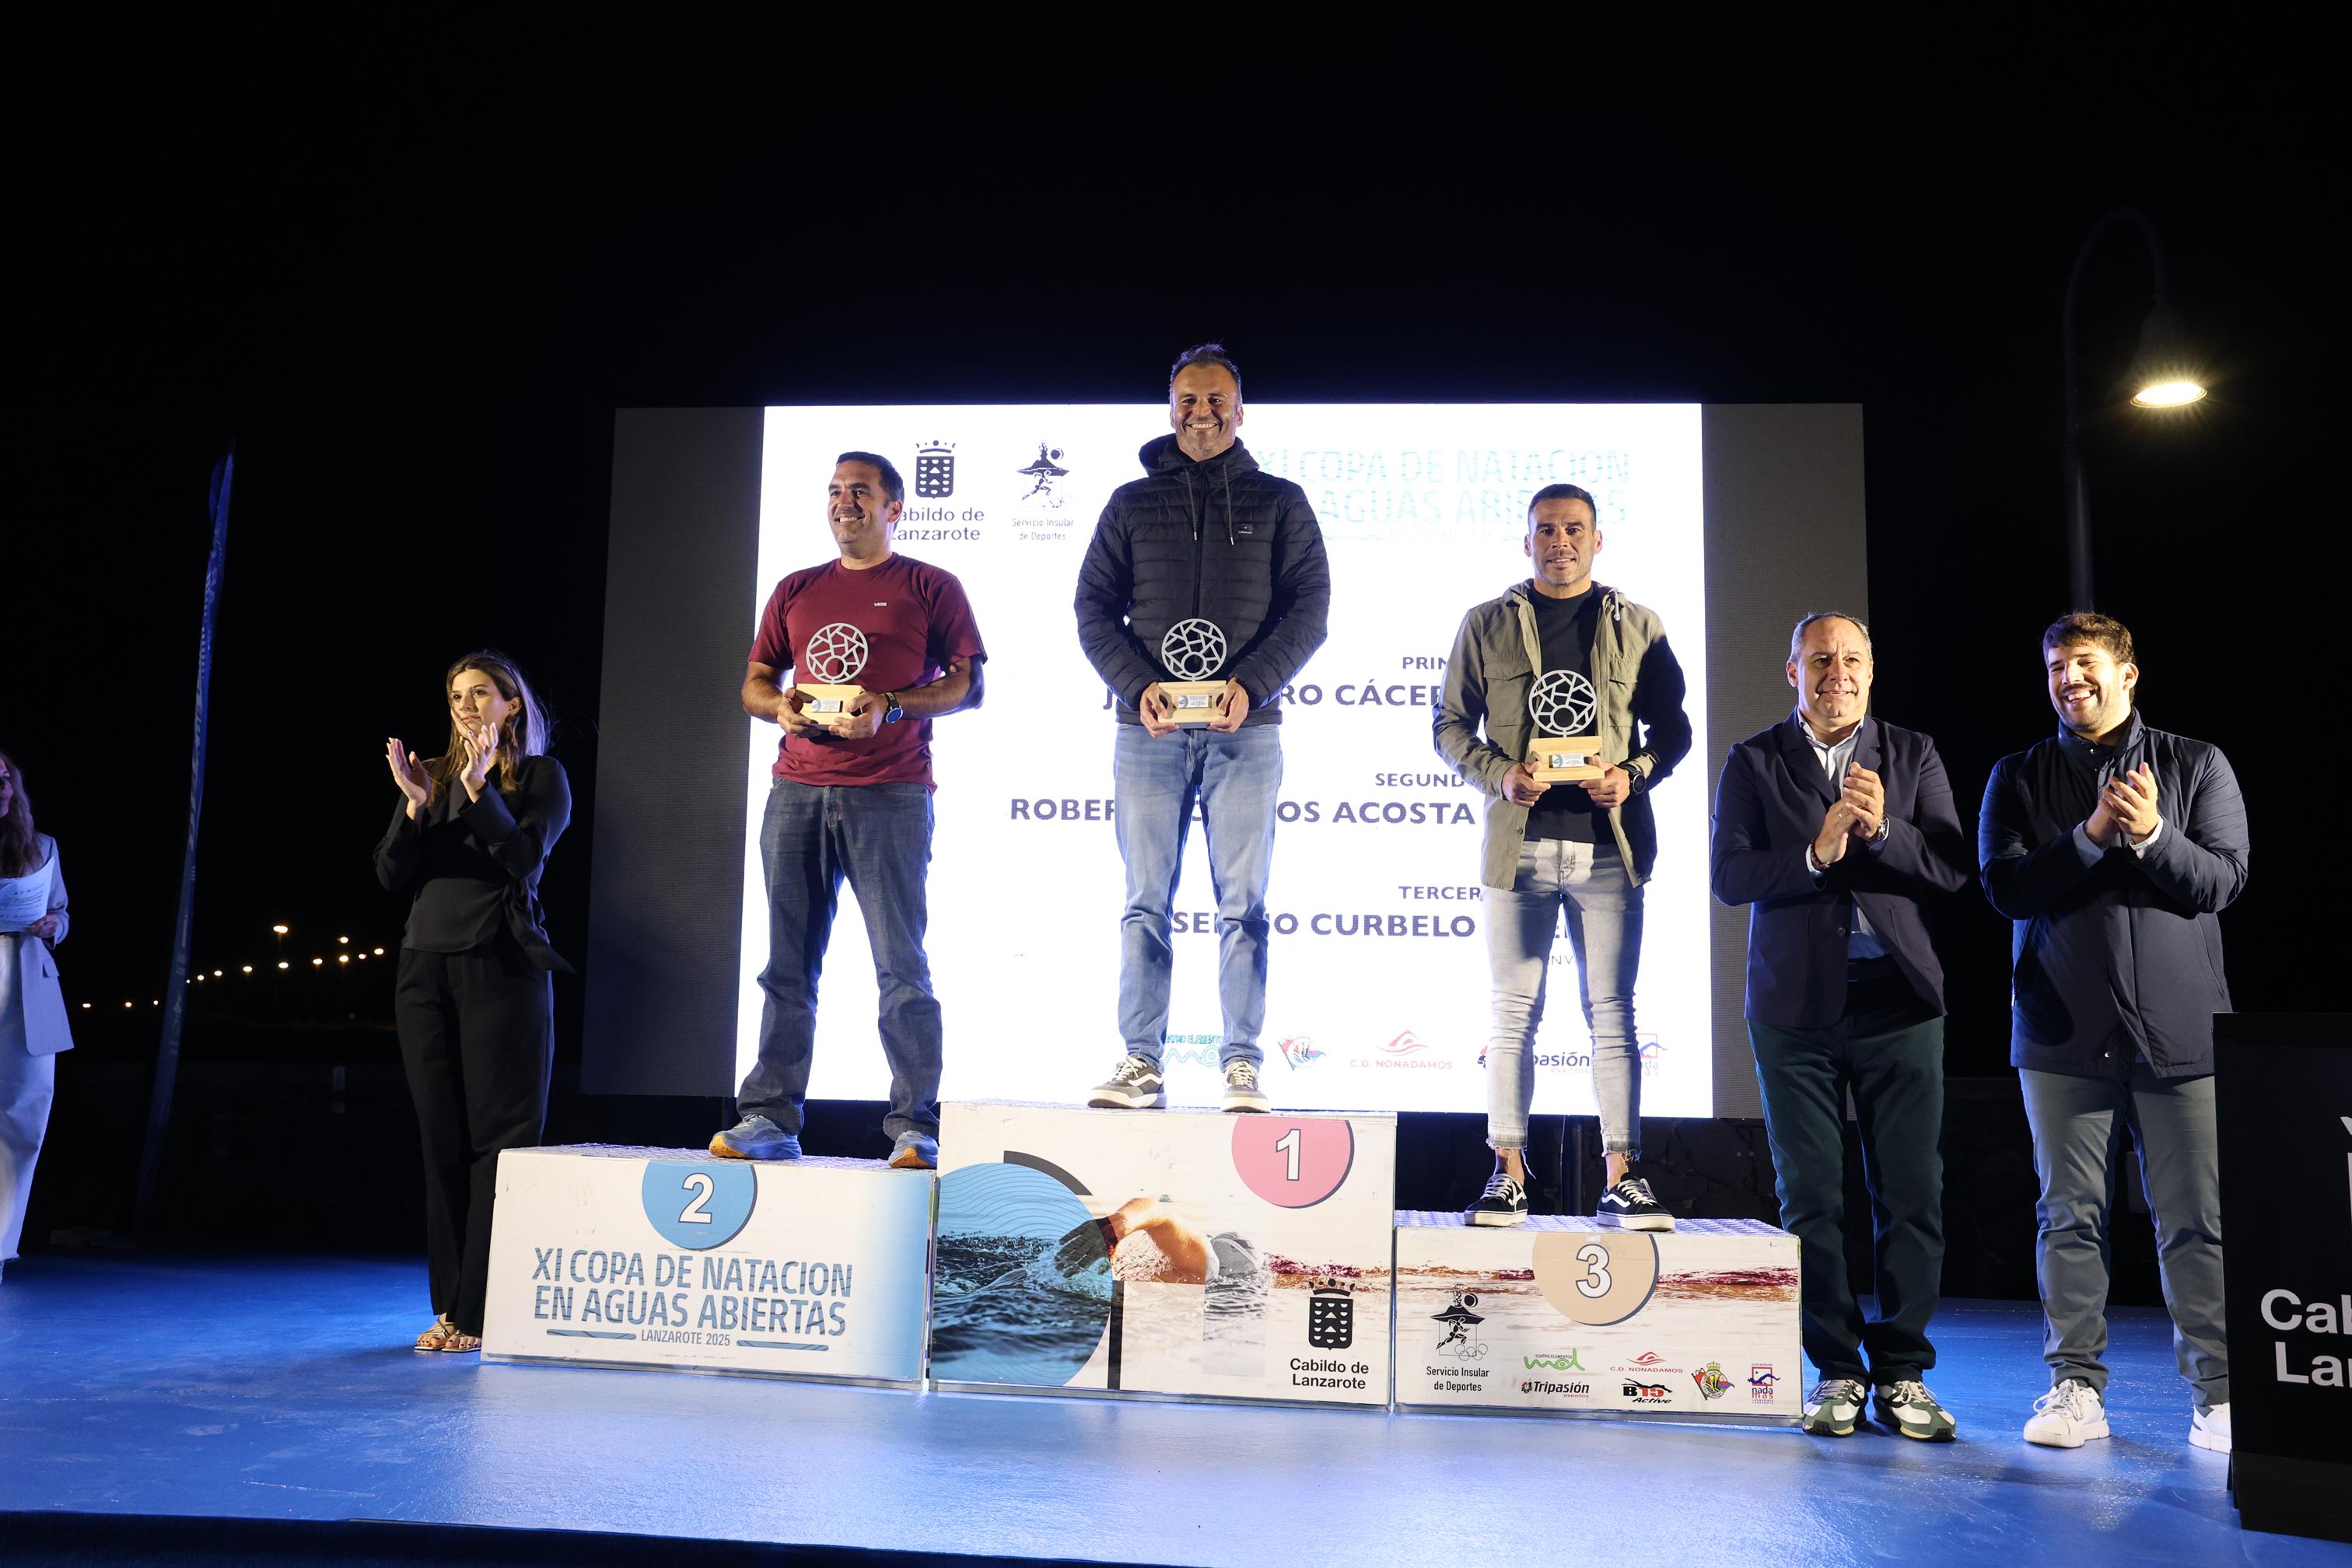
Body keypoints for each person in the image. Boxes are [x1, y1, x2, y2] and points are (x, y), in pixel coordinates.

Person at [1980, 611, 2242, 1455]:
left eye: (2085, 664)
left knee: (2194, 1219)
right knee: (2068, 1218)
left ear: (2128, 674)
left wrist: (2155, 835)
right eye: (2056, 667)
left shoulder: (2196, 764)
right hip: (2061, 1038)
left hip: (2182, 1036)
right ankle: (2075, 1391)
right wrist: (2092, 838)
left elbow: (2223, 881)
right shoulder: (2017, 776)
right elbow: (2006, 889)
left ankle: (2219, 1393)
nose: (2069, 680)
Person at [1709, 613, 1972, 1441]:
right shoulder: (1753, 759)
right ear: (1793, 671)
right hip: (1793, 1011)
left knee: (1911, 1194)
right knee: (1811, 1198)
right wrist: (1818, 852)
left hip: (1898, 1002)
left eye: (1852, 658)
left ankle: (1901, 1372)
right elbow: (1728, 874)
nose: (1837, 673)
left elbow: (1950, 869)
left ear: (1871, 669)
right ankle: (1836, 1369)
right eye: (1820, 659)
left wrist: (1884, 832)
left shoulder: (1912, 752)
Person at [712, 451, 986, 1171]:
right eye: (835, 492)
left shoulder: (930, 585)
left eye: (860, 492)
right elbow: (755, 681)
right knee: (786, 966)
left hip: (892, 791)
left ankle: (913, 1126)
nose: (844, 504)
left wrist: (891, 706)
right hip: (796, 790)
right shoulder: (797, 588)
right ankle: (768, 1117)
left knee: (902, 967)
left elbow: (968, 686)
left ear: (895, 507)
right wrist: (778, 708)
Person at [1076, 344, 1330, 1115]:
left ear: (1241, 410)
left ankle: (1241, 1062)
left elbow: (1309, 608)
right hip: (1147, 731)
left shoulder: (1280, 500)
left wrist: (1250, 687)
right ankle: (1141, 1060)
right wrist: (1139, 685)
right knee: (1145, 899)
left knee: (1242, 902)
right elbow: (1093, 608)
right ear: (1171, 406)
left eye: (1217, 400)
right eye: (1189, 399)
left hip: (1245, 732)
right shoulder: (1130, 503)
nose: (1203, 412)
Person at [1433, 482, 1692, 1230]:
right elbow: (1451, 725)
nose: (1560, 542)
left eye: (1574, 529)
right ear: (1527, 541)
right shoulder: (1486, 624)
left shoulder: (1640, 625)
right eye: (1546, 530)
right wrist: (1499, 774)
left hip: (1608, 851)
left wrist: (1632, 776)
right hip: (1521, 849)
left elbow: (1671, 731)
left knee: (1612, 1014)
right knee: (1513, 1016)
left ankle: (1623, 1173)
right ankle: (1506, 1171)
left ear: (1598, 540)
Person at [378, 653, 571, 1353]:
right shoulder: (429, 773)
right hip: (424, 968)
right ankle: (449, 1308)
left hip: (502, 966)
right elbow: (391, 874)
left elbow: (521, 859)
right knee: (441, 1141)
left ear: (511, 706)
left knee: (500, 1147)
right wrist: (415, 804)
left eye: (481, 693)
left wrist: (479, 788)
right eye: (456, 694)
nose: (465, 705)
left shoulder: (541, 779)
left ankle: (480, 1312)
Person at [0, 750, 71, 1280]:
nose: (1, 787)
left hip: (29, 991)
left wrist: (53, 926)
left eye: (5, 779)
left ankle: (0, 1248)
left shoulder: (42, 847)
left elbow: (63, 911)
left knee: (25, 1123)